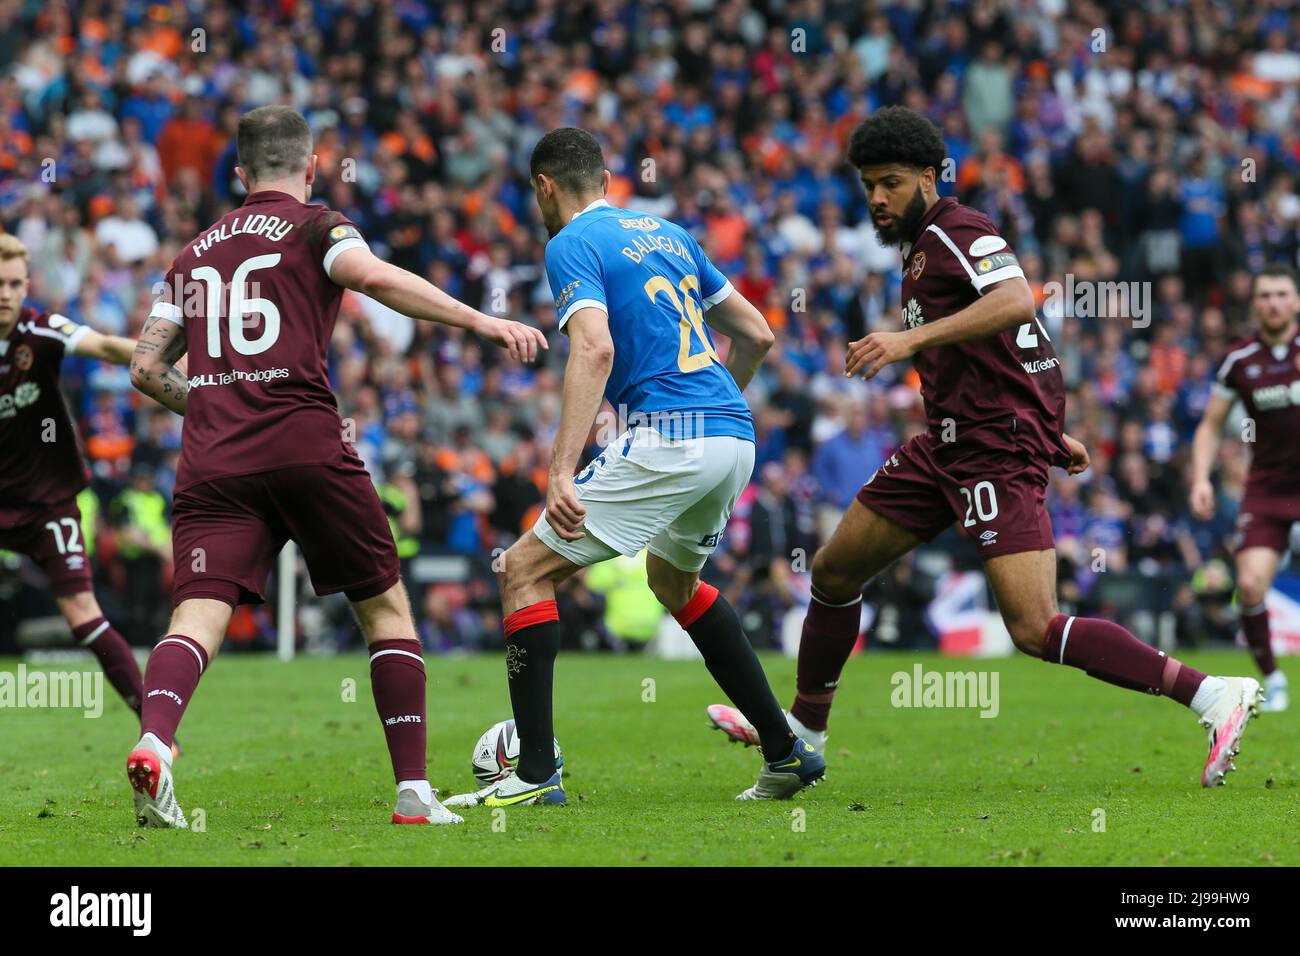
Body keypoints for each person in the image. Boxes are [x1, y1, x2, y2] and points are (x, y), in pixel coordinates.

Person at [709, 107, 1262, 790]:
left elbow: (1014, 303)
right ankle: (804, 737)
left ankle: (1213, 694)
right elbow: (1006, 352)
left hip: (993, 454)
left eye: (890, 183)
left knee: (1033, 627)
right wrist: (1050, 427)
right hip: (946, 446)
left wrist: (910, 343)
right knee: (833, 571)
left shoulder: (958, 228)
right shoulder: (922, 247)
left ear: (930, 177)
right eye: (868, 187)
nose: (877, 198)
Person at [124, 105, 546, 828]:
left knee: (197, 615)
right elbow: (373, 278)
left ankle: (156, 742)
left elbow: (142, 367)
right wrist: (480, 321)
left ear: (239, 172)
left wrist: (216, 401)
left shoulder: (191, 254)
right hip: (305, 445)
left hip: (214, 458)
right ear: (312, 166)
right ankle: (413, 792)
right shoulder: (318, 225)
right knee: (383, 607)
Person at [445, 127, 823, 809]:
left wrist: (561, 471)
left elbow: (593, 350)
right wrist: (718, 410)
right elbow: (759, 332)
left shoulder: (570, 244)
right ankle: (785, 750)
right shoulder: (669, 234)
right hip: (733, 434)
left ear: (545, 187)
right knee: (673, 579)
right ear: (608, 176)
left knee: (522, 570)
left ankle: (533, 774)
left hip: (672, 436)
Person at [0, 233, 166, 744]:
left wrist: (161, 360)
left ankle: (157, 731)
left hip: (49, 501)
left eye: (12, 283)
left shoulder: (40, 327)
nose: (4, 293)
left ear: (25, 285)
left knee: (81, 614)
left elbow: (106, 346)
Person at [1189, 264, 1300, 712]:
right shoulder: (1239, 359)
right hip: (1268, 488)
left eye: (1281, 294)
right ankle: (1273, 679)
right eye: (1265, 295)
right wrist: (1200, 477)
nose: (1274, 302)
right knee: (1250, 586)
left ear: (1295, 301)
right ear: (1254, 304)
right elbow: (1210, 425)